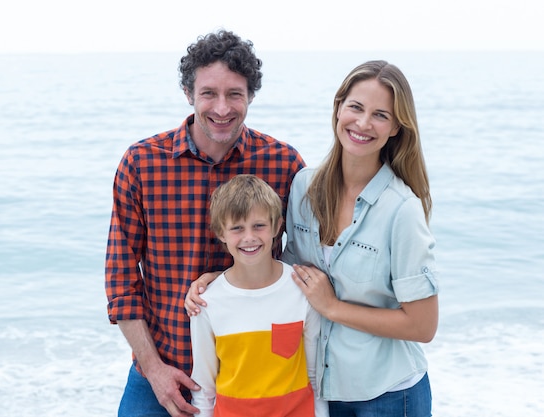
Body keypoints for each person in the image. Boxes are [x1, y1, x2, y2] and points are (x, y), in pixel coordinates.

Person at [186, 60, 439, 416]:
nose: (363, 123)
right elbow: (288, 272)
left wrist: (333, 307)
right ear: (338, 109)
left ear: (396, 127)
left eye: (381, 115)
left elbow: (422, 325)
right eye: (355, 107)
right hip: (320, 392)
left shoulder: (402, 211)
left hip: (386, 395)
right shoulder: (304, 187)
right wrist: (225, 281)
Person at [105, 29, 305, 417]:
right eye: (209, 93)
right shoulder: (142, 164)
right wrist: (154, 370)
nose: (222, 107)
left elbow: (300, 264)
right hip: (165, 372)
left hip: (256, 375)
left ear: (250, 96)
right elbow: (122, 280)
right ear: (188, 93)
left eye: (235, 94)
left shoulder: (283, 164)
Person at [189, 174, 328, 417]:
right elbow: (204, 388)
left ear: (276, 226)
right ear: (221, 233)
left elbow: (315, 377)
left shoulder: (302, 290)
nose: (249, 237)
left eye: (259, 225)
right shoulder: (207, 302)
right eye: (237, 228)